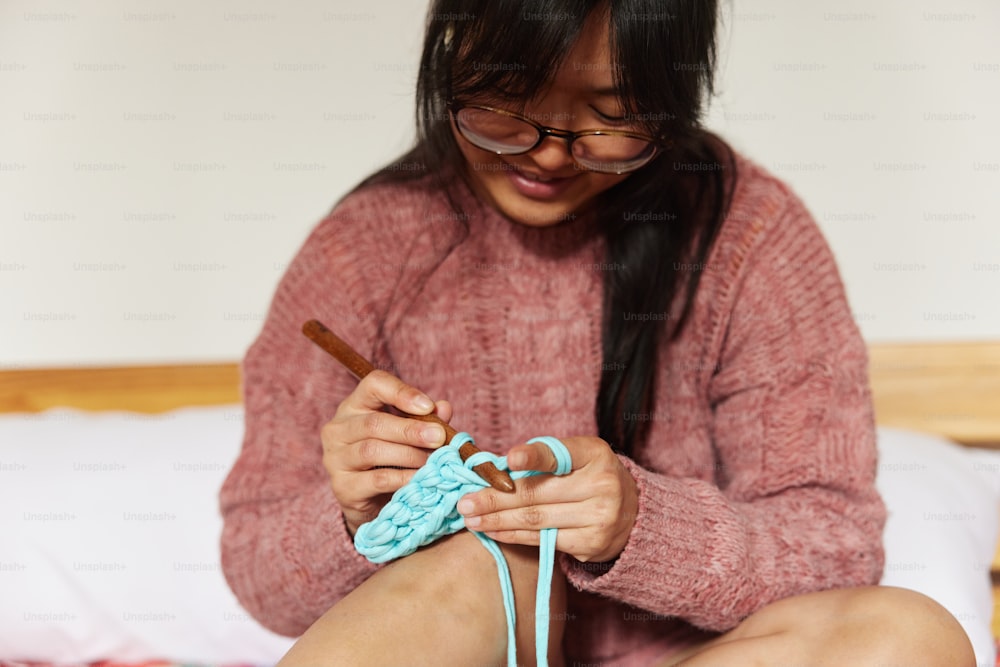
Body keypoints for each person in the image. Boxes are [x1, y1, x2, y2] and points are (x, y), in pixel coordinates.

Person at [220, 1, 975, 665]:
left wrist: (641, 523)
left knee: (911, 637)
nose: (549, 153)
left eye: (608, 118)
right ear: (451, 54)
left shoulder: (752, 239)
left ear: (670, 96)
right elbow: (258, 576)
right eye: (507, 102)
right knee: (486, 564)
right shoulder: (363, 250)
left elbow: (835, 545)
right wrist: (353, 515)